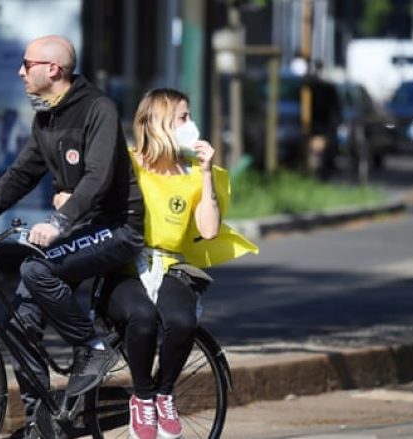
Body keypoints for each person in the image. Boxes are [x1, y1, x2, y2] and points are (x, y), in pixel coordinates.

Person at [0, 35, 144, 434]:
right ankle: (44, 422)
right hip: (82, 226)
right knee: (20, 325)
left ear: (53, 69)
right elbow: (21, 174)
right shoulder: (46, 117)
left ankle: (92, 349)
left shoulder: (98, 109)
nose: (20, 72)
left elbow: (98, 177)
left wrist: (59, 222)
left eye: (26, 63)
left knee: (36, 272)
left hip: (116, 226)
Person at [106, 88, 258, 439]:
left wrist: (205, 173)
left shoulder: (193, 173)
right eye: (184, 117)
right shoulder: (126, 164)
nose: (193, 125)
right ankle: (142, 398)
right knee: (141, 318)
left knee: (182, 320)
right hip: (124, 267)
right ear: (159, 122)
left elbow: (208, 229)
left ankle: (163, 393)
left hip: (171, 266)